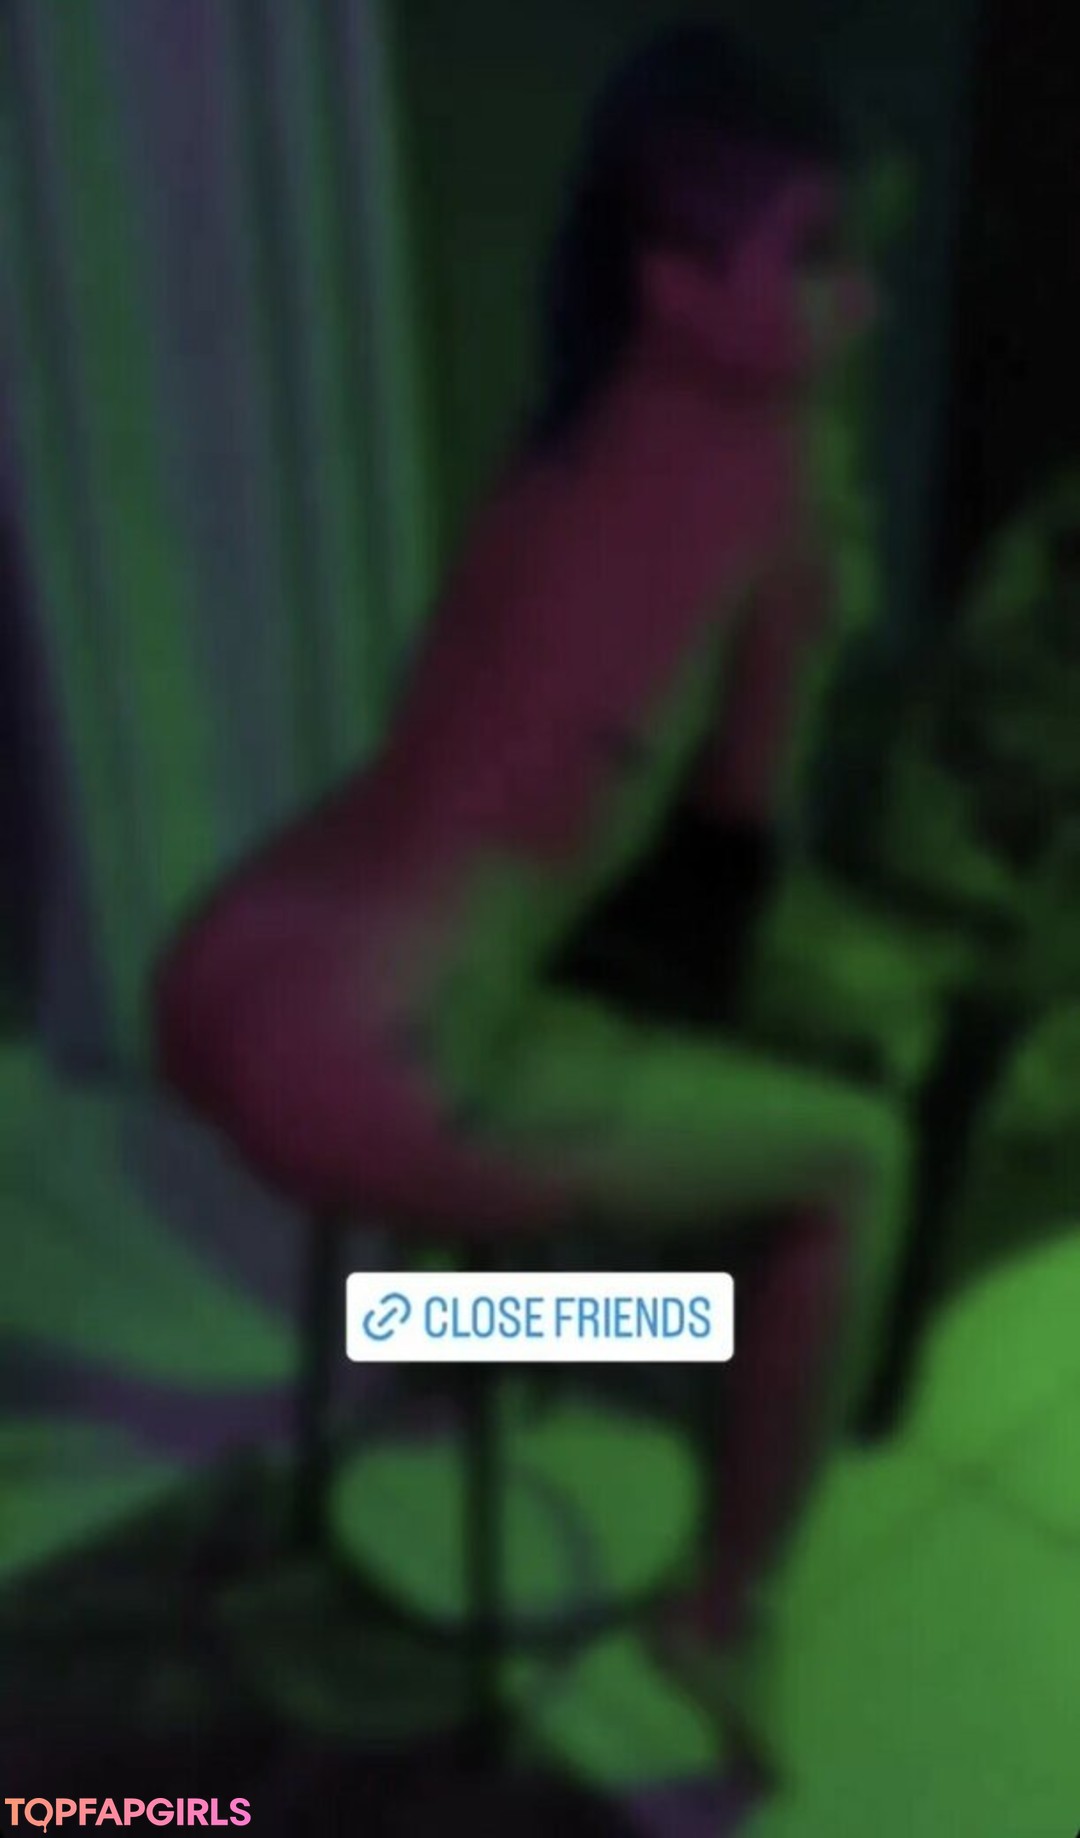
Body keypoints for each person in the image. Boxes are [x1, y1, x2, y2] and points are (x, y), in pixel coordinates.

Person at [156, 25, 909, 1784]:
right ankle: (720, 1608)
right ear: (679, 286)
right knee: (854, 1165)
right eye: (820, 257)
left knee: (560, 1086)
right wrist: (828, 599)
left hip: (229, 954)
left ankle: (421, 1314)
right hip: (378, 1053)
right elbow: (741, 809)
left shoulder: (572, 400)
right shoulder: (778, 473)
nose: (867, 300)